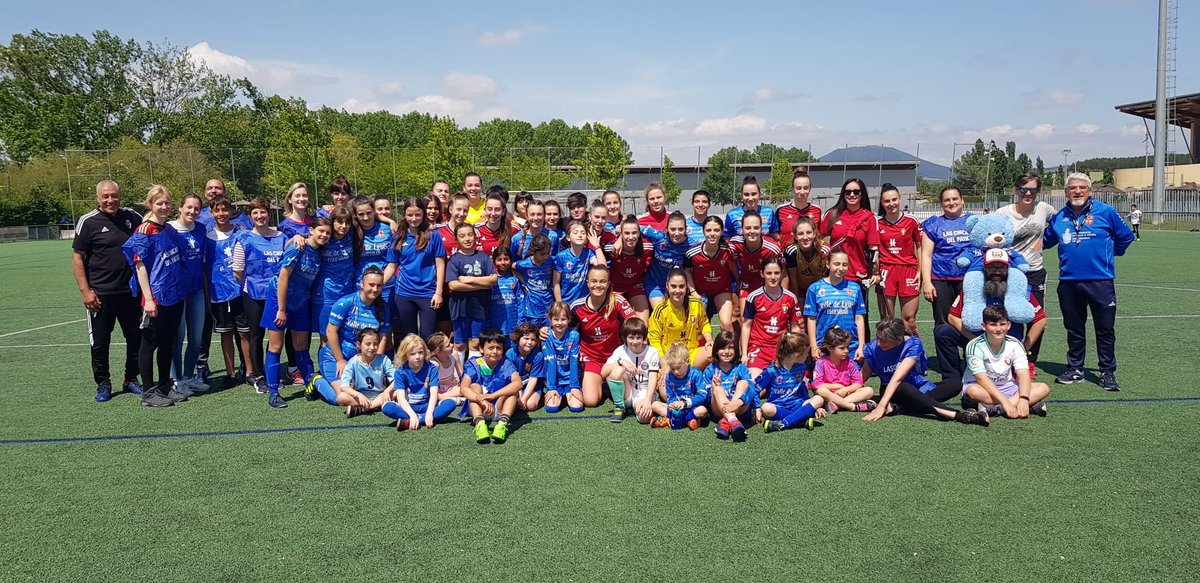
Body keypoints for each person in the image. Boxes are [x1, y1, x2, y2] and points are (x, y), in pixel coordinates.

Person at [1043, 172, 1135, 391]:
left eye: (1082, 187)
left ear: (1089, 190)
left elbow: (1126, 236)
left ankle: (1107, 372)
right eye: (1072, 188)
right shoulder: (1060, 217)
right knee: (1074, 329)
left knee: (1104, 329)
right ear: (1066, 192)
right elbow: (1044, 242)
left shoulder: (1105, 212)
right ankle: (1075, 369)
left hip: (1100, 282)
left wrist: (1109, 257)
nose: (1077, 191)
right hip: (1069, 283)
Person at [73, 180, 143, 402]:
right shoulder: (88, 222)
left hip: (130, 292)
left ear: (120, 196)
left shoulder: (132, 217)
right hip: (100, 295)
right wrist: (85, 291)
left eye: (114, 195)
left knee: (135, 337)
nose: (110, 200)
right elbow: (77, 258)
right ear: (98, 198)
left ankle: (131, 378)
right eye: (105, 196)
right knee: (101, 342)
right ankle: (103, 383)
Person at [122, 185, 189, 407]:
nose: (164, 207)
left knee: (167, 342)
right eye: (159, 203)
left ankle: (164, 385)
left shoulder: (168, 229)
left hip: (174, 295)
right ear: (150, 204)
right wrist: (148, 299)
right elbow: (140, 266)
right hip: (156, 297)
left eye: (167, 203)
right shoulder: (144, 232)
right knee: (149, 343)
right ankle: (148, 392)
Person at [933, 249, 1047, 378]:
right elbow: (953, 317)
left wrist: (1024, 347)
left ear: (1008, 268)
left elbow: (1040, 320)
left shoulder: (1018, 290)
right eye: (992, 267)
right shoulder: (973, 288)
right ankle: (952, 377)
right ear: (985, 268)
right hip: (976, 339)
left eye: (1002, 267)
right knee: (942, 331)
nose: (997, 271)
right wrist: (975, 341)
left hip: (1006, 345)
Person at [861, 318, 986, 426]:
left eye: (883, 340)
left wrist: (882, 407)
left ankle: (898, 408)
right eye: (877, 338)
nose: (878, 343)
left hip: (916, 385)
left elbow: (898, 377)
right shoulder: (872, 349)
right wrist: (845, 391)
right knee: (904, 387)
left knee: (956, 384)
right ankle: (956, 415)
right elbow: (864, 376)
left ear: (899, 339)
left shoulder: (912, 344)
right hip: (893, 390)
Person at [260, 218, 329, 408]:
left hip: (300, 302)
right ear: (311, 230)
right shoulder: (298, 246)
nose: (324, 235)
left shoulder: (319, 252)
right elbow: (283, 276)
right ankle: (273, 392)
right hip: (279, 300)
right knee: (275, 346)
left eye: (327, 233)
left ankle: (309, 383)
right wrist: (281, 309)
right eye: (321, 231)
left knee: (301, 345)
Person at [306, 268, 392, 405]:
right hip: (335, 357)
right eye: (371, 285)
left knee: (370, 393)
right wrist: (340, 360)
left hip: (362, 360)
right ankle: (317, 381)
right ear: (362, 284)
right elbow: (330, 332)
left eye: (379, 285)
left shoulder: (384, 308)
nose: (375, 289)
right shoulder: (345, 303)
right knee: (341, 398)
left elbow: (383, 338)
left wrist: (376, 363)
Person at [996, 173, 1055, 361]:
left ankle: (1028, 358)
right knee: (1007, 317)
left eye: (1033, 190)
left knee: (1036, 320)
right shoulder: (1002, 213)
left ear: (1038, 191)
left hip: (1034, 272)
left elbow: (1062, 222)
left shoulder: (1044, 209)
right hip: (1009, 273)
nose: (1028, 193)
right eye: (1024, 189)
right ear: (1016, 190)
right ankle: (1004, 358)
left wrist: (1047, 241)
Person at [233, 198, 286, 394]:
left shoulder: (281, 237)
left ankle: (272, 373)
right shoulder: (244, 238)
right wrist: (251, 285)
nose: (259, 216)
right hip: (253, 294)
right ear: (250, 216)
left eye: (262, 212)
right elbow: (238, 271)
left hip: (275, 295)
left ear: (268, 214)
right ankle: (259, 375)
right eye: (255, 213)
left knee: (276, 335)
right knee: (256, 334)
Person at [962, 306, 1051, 419]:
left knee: (1044, 388)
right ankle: (1028, 405)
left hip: (1008, 387)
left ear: (1008, 325)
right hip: (982, 388)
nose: (998, 329)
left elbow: (1023, 373)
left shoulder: (1015, 344)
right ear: (983, 326)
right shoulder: (974, 345)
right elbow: (981, 378)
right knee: (973, 392)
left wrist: (1023, 399)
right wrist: (1006, 402)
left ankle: (996, 410)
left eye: (1002, 324)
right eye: (993, 325)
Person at [571, 264, 638, 409]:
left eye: (602, 281)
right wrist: (546, 330)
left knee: (622, 400)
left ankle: (608, 383)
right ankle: (601, 383)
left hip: (614, 358)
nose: (598, 285)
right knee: (590, 401)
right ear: (587, 283)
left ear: (608, 284)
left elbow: (634, 324)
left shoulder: (617, 301)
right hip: (591, 357)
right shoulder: (577, 306)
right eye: (594, 281)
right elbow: (564, 329)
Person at [204, 195, 252, 388]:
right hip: (219, 294)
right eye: (217, 210)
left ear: (231, 211)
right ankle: (230, 374)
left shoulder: (241, 233)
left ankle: (250, 371)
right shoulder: (207, 237)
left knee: (244, 333)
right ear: (212, 212)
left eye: (225, 209)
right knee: (225, 333)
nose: (222, 214)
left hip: (241, 292)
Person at [168, 193, 211, 395]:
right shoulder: (169, 229)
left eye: (196, 208)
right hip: (177, 292)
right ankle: (176, 380)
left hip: (197, 290)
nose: (192, 212)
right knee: (178, 337)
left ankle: (188, 377)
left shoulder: (201, 229)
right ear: (180, 208)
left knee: (196, 337)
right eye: (189, 207)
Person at [387, 198, 446, 342]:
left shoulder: (433, 236)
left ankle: (428, 365)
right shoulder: (398, 237)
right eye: (410, 215)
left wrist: (438, 293)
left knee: (428, 337)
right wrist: (376, 285)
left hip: (428, 293)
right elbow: (391, 266)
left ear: (423, 214)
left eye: (418, 215)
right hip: (404, 294)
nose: (414, 219)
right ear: (404, 215)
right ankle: (409, 365)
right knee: (409, 338)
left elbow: (440, 265)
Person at [821, 178, 880, 320]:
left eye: (856, 191)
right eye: (848, 192)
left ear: (862, 194)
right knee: (832, 317)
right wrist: (827, 249)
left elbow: (874, 248)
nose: (852, 195)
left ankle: (861, 343)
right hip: (834, 275)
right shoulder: (833, 215)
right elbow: (818, 237)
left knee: (859, 319)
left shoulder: (869, 218)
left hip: (858, 278)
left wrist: (875, 273)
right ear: (843, 194)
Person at [920, 186, 974, 326]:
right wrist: (926, 282)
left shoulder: (974, 222)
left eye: (955, 199)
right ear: (941, 203)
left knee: (969, 321)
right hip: (941, 279)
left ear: (962, 200)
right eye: (947, 200)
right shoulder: (933, 225)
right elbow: (926, 255)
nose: (951, 202)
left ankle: (971, 348)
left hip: (969, 278)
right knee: (943, 323)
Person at [381, 333, 458, 429]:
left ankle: (412, 421)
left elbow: (434, 394)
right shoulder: (400, 372)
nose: (417, 356)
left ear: (425, 352)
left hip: (428, 406)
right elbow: (401, 398)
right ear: (405, 355)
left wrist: (429, 413)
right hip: (409, 408)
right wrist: (412, 415)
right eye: (412, 354)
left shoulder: (432, 368)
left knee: (450, 404)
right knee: (387, 407)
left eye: (420, 352)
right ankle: (419, 419)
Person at [875, 183, 923, 335]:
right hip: (886, 272)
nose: (891, 204)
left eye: (894, 199)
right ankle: (890, 356)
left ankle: (915, 355)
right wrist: (875, 272)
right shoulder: (877, 223)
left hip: (908, 271)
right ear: (882, 203)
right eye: (887, 201)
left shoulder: (911, 221)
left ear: (899, 199)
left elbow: (920, 247)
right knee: (887, 320)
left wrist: (920, 271)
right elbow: (873, 250)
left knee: (909, 320)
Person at [741, 257, 802, 376]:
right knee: (755, 384)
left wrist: (797, 351)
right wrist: (744, 354)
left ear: (782, 273)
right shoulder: (754, 297)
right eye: (769, 273)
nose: (773, 277)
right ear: (762, 274)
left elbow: (795, 327)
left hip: (781, 349)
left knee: (783, 385)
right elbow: (746, 326)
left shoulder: (790, 298)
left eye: (776, 273)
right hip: (759, 348)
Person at [804, 249, 867, 362]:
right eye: (836, 264)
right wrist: (813, 346)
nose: (841, 268)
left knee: (851, 378)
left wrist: (861, 345)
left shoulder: (855, 288)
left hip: (850, 346)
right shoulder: (814, 289)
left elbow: (859, 318)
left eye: (845, 265)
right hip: (825, 347)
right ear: (828, 264)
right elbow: (811, 319)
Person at [461, 328, 522, 444]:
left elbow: (518, 383)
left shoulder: (505, 363)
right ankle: (480, 424)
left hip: (499, 407)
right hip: (481, 407)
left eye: (498, 348)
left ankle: (502, 424)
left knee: (512, 391)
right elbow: (463, 388)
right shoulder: (474, 363)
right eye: (490, 348)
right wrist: (482, 401)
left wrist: (493, 396)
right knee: (474, 386)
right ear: (481, 349)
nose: (495, 351)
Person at [756, 332, 826, 433]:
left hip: (797, 405)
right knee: (766, 408)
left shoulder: (801, 367)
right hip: (778, 407)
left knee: (819, 399)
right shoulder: (772, 370)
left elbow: (802, 386)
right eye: (806, 353)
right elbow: (754, 389)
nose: (807, 356)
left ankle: (783, 423)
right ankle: (801, 420)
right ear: (797, 355)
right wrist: (756, 407)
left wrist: (810, 405)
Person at [446, 222, 496, 358]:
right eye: (462, 236)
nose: (467, 239)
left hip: (480, 306)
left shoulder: (483, 257)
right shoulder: (454, 260)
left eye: (470, 235)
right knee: (460, 344)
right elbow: (453, 285)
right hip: (459, 306)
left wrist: (469, 279)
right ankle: (458, 376)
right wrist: (483, 284)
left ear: (475, 237)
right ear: (456, 239)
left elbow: (493, 280)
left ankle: (473, 375)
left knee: (475, 342)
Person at [648, 268, 713, 371]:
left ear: (687, 287)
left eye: (681, 286)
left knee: (711, 351)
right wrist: (663, 363)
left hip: (691, 353)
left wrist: (709, 339)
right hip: (670, 357)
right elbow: (653, 339)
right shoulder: (660, 310)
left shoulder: (696, 304)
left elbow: (704, 323)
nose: (677, 291)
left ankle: (692, 376)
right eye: (673, 286)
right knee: (664, 382)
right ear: (667, 287)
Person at [685, 216, 739, 334]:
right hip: (701, 292)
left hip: (722, 290)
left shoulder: (729, 249)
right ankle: (704, 351)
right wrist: (693, 292)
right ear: (703, 231)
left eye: (716, 230)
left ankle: (726, 351)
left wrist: (738, 287)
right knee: (698, 328)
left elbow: (733, 266)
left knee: (726, 325)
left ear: (722, 231)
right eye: (709, 230)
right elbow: (687, 271)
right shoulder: (692, 253)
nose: (712, 234)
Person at [602, 317, 660, 424]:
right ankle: (620, 407)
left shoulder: (652, 352)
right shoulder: (621, 351)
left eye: (639, 337)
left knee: (644, 418)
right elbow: (603, 372)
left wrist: (647, 400)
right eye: (631, 337)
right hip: (627, 391)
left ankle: (660, 411)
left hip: (643, 392)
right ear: (625, 338)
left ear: (644, 338)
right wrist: (621, 362)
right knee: (617, 370)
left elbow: (653, 378)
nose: (635, 341)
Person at [312, 206, 356, 347]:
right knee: (325, 337)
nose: (343, 226)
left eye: (347, 223)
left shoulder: (351, 236)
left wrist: (390, 221)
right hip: (325, 295)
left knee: (346, 333)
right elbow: (309, 237)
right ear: (332, 222)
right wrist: (296, 237)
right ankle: (326, 368)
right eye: (339, 222)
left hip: (347, 292)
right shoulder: (325, 239)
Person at [730, 212, 785, 315]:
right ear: (742, 229)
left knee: (766, 317)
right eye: (748, 228)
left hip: (767, 284)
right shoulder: (735, 244)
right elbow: (731, 261)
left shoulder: (772, 249)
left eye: (756, 228)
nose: (752, 231)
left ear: (761, 229)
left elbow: (784, 272)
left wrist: (783, 294)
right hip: (747, 283)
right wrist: (737, 281)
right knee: (745, 317)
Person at [704, 331, 754, 441]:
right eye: (722, 348)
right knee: (717, 389)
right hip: (718, 410)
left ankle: (726, 422)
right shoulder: (710, 369)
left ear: (736, 350)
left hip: (740, 408)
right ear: (716, 350)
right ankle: (733, 421)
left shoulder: (741, 368)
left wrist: (740, 403)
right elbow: (704, 396)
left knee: (743, 383)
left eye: (730, 348)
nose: (726, 352)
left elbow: (753, 389)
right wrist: (712, 389)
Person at [333, 327, 395, 418]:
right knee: (341, 397)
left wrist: (387, 391)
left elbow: (397, 379)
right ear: (358, 344)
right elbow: (344, 387)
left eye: (375, 344)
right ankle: (375, 406)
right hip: (360, 397)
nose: (372, 347)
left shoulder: (384, 359)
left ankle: (365, 408)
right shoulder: (353, 362)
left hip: (380, 395)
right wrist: (358, 394)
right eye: (368, 344)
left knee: (397, 392)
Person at [811, 328, 873, 413]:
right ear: (830, 348)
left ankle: (836, 404)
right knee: (821, 391)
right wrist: (839, 387)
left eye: (847, 347)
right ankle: (851, 406)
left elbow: (858, 382)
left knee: (869, 391)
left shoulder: (849, 362)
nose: (846, 351)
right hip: (828, 394)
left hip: (845, 394)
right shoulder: (821, 363)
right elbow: (817, 385)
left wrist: (845, 390)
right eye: (842, 348)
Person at [606, 215, 654, 321]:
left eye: (634, 233)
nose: (631, 237)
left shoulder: (648, 248)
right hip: (616, 289)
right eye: (627, 233)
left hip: (636, 287)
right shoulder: (611, 248)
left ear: (639, 234)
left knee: (642, 325)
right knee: (611, 323)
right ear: (621, 234)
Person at [639, 211, 692, 308]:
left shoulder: (691, 245)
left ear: (686, 229)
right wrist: (619, 239)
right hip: (655, 284)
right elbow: (634, 227)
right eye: (673, 229)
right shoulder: (658, 237)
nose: (676, 233)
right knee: (663, 313)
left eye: (680, 229)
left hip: (677, 287)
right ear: (666, 229)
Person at [651, 342, 709, 431]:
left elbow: (702, 396)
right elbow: (670, 396)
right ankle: (688, 421)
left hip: (691, 407)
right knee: (655, 405)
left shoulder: (696, 374)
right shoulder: (669, 376)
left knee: (703, 410)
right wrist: (672, 404)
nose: (676, 372)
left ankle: (669, 420)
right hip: (676, 409)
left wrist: (685, 403)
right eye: (673, 368)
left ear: (687, 361)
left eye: (679, 368)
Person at [352, 195, 395, 306]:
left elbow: (393, 261)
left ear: (374, 212)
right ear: (356, 215)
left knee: (388, 322)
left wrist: (380, 283)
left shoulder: (387, 229)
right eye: (361, 214)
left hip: (386, 285)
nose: (366, 218)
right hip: (361, 286)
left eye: (369, 213)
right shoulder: (351, 231)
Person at [542, 302, 583, 413]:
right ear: (550, 319)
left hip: (570, 379)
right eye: (556, 319)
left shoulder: (574, 336)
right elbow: (551, 362)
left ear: (569, 319)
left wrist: (574, 386)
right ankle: (558, 393)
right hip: (555, 381)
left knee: (577, 407)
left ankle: (570, 391)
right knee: (552, 408)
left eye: (563, 319)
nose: (559, 323)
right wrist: (551, 388)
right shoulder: (546, 336)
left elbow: (574, 361)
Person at [553, 220, 604, 306]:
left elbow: (603, 266)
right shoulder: (561, 256)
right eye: (575, 233)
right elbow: (556, 283)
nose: (579, 235)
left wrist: (596, 246)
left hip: (584, 302)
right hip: (566, 302)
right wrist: (559, 303)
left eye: (583, 233)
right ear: (568, 237)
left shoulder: (588, 253)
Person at [512, 234, 555, 326]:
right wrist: (523, 282)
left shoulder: (552, 261)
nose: (545, 257)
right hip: (532, 307)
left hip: (548, 305)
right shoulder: (525, 264)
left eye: (548, 253)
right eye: (542, 254)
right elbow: (512, 267)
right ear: (533, 251)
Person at [774, 170, 823, 249]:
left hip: (810, 259)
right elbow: (775, 236)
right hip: (786, 259)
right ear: (792, 189)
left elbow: (820, 235)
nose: (802, 192)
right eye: (798, 188)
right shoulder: (781, 210)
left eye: (806, 188)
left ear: (810, 188)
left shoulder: (817, 210)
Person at [783, 216, 827, 303]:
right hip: (799, 289)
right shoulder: (791, 251)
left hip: (819, 289)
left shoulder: (824, 250)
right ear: (795, 236)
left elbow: (825, 278)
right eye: (800, 234)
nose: (805, 237)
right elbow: (793, 280)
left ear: (814, 234)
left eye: (809, 233)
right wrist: (796, 302)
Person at [506, 323, 545, 412]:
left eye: (533, 339)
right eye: (526, 338)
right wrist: (519, 396)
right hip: (515, 385)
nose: (529, 342)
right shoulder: (510, 353)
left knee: (530, 406)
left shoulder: (538, 355)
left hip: (533, 386)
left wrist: (523, 399)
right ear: (518, 338)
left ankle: (540, 397)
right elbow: (513, 379)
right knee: (513, 404)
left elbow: (533, 379)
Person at [490, 246, 522, 337]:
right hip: (495, 325)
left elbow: (520, 302)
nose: (503, 263)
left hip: (513, 325)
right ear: (494, 261)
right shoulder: (491, 280)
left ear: (511, 260)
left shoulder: (515, 279)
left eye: (506, 259)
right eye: (499, 259)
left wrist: (520, 322)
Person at [426, 332, 464, 408]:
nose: (452, 345)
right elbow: (428, 385)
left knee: (466, 388)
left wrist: (464, 385)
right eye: (448, 345)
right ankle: (450, 399)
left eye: (450, 342)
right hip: (437, 389)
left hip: (452, 387)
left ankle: (444, 398)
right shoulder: (435, 363)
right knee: (433, 394)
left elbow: (461, 373)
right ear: (438, 351)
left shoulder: (454, 355)